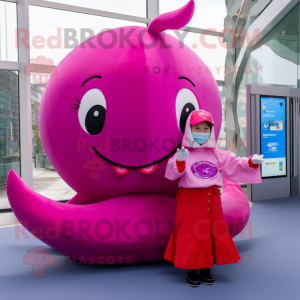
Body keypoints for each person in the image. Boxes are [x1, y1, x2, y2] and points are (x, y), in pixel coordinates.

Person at [163, 109, 263, 287]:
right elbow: (171, 175)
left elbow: (233, 163)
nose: (201, 132)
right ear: (189, 129)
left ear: (211, 131)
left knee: (209, 233)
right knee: (191, 233)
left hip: (211, 199)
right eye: (197, 128)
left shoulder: (215, 153)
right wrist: (179, 161)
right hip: (189, 200)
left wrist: (250, 162)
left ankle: (206, 267)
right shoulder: (183, 153)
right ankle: (192, 268)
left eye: (205, 129)